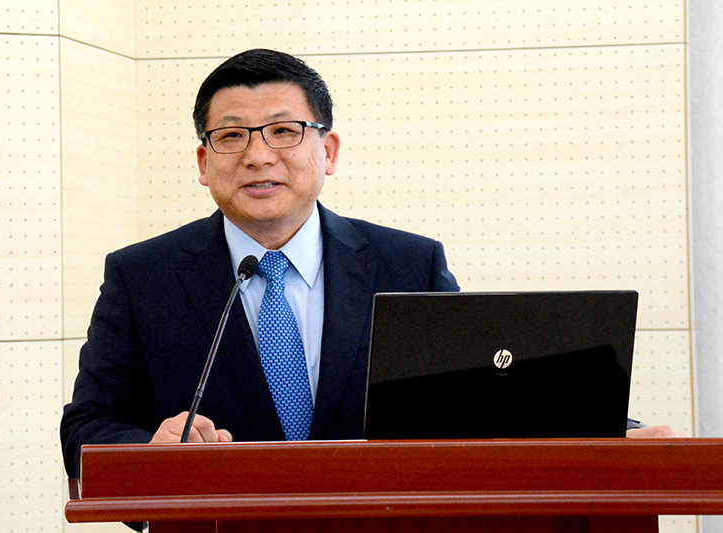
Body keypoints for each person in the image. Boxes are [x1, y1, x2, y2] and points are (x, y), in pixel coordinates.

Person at [60, 49, 682, 479]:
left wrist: (603, 433)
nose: (257, 155)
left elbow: (482, 402)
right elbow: (86, 426)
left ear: (327, 151)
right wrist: (150, 448)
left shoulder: (409, 264)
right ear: (203, 162)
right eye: (232, 135)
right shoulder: (142, 278)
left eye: (283, 130)